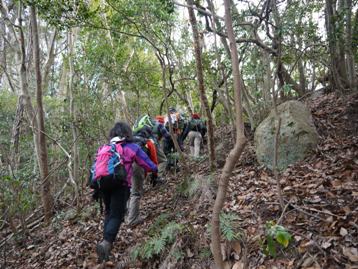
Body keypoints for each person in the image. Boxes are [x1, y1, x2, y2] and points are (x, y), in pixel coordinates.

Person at [95, 121, 157, 263]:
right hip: (120, 185)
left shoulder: (105, 147)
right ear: (128, 133)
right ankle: (106, 243)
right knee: (117, 215)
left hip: (103, 184)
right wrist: (155, 169)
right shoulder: (131, 147)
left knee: (109, 213)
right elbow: (145, 162)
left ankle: (105, 244)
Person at [127, 126, 160, 227]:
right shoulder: (148, 142)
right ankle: (132, 219)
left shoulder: (128, 140)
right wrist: (155, 174)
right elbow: (154, 160)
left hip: (124, 165)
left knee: (128, 190)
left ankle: (127, 214)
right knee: (136, 193)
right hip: (137, 165)